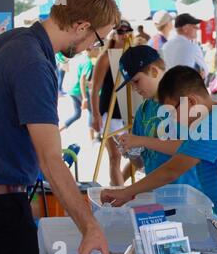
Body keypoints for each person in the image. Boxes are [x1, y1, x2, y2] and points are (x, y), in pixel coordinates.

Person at [0, 0, 120, 254]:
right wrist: (90, 227)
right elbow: (50, 159)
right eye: (97, 40)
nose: (92, 49)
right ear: (82, 25)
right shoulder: (32, 61)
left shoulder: (11, 40)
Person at [101, 66, 217, 223]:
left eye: (173, 112)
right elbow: (179, 151)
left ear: (191, 101)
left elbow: (171, 170)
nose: (174, 119)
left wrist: (126, 192)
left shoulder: (214, 125)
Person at [113, 45, 201, 189]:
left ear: (154, 71)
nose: (134, 89)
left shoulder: (183, 101)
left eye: (136, 81)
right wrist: (132, 152)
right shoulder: (143, 111)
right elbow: (141, 164)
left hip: (190, 193)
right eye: (130, 85)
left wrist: (142, 140)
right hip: (159, 194)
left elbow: (190, 148)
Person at [91, 20, 134, 186]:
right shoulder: (106, 57)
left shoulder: (132, 56)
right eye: (120, 32)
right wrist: (95, 115)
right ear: (114, 34)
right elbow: (95, 89)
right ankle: (119, 195)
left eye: (127, 31)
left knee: (137, 158)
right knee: (115, 156)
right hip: (109, 111)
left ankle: (117, 188)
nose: (124, 35)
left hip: (127, 111)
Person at [59, 48, 96, 133]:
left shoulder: (78, 57)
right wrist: (85, 98)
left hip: (70, 89)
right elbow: (82, 79)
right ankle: (93, 139)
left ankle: (59, 129)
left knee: (77, 114)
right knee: (93, 112)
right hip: (78, 89)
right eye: (98, 49)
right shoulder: (88, 62)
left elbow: (69, 70)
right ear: (92, 50)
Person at [162, 13, 208, 78]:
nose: (197, 29)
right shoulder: (192, 47)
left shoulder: (165, 46)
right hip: (187, 85)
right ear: (185, 28)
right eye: (194, 26)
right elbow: (204, 72)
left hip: (169, 85)